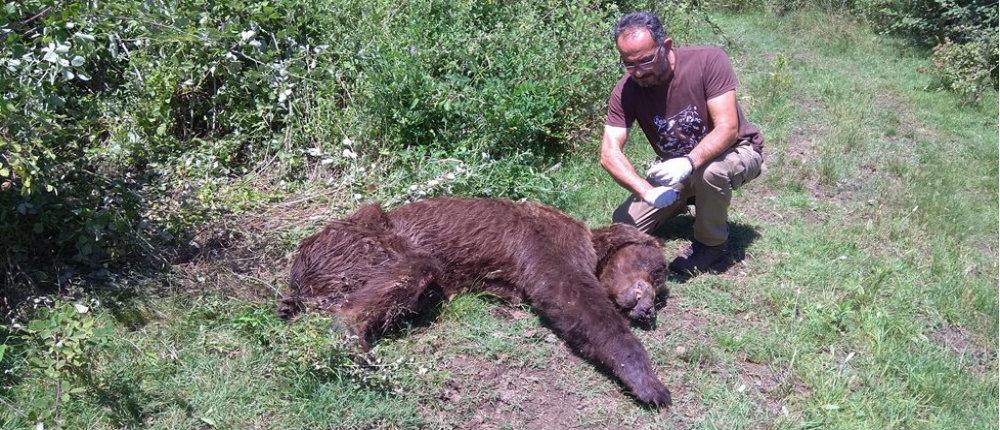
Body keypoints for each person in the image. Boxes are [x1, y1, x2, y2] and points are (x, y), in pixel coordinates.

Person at [600, 11, 764, 275]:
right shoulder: (626, 91)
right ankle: (680, 199)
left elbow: (728, 128)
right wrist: (646, 190)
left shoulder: (708, 60)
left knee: (711, 172)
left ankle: (711, 245)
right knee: (623, 225)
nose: (639, 72)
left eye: (646, 60)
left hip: (737, 151)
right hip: (677, 167)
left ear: (665, 46)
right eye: (629, 64)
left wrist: (689, 162)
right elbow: (609, 152)